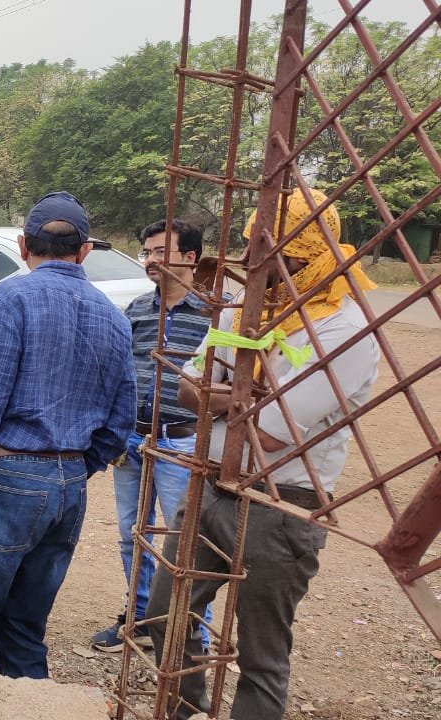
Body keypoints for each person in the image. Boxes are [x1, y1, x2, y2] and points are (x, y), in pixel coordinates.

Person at [148, 190, 380, 720]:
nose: (250, 257)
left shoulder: (343, 328)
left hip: (282, 502)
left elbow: (269, 436)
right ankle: (184, 710)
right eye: (251, 241)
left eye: (265, 246)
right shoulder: (248, 307)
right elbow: (187, 388)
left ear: (302, 250)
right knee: (166, 614)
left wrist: (227, 399)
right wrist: (243, 399)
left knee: (261, 655)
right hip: (212, 485)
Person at [0, 191, 134, 679]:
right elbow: (120, 422)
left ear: (23, 246)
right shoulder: (113, 316)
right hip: (68, 490)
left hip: (7, 480)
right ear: (84, 251)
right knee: (24, 628)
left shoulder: (11, 299)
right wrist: (74, 467)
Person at [90, 219, 213, 652]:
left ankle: (191, 633)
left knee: (185, 542)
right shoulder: (140, 308)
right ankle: (140, 618)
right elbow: (121, 372)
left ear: (191, 258)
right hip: (135, 440)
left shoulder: (217, 312)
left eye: (161, 251)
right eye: (147, 252)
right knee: (133, 533)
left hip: (182, 441)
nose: (151, 261)